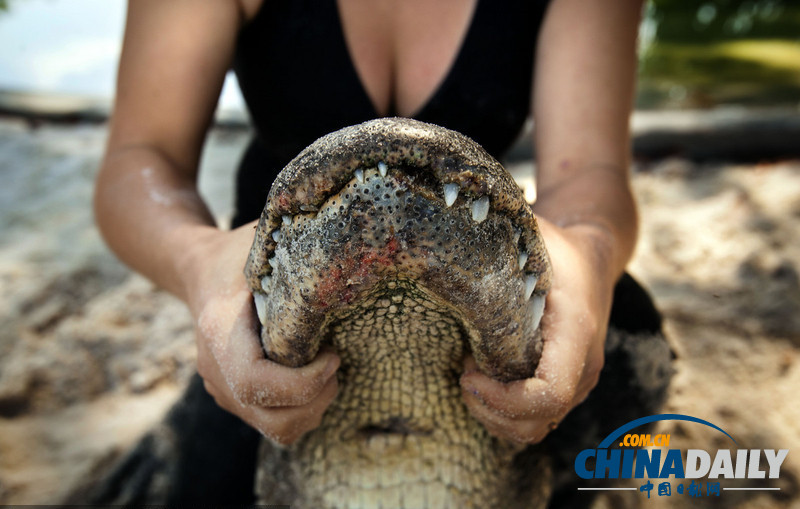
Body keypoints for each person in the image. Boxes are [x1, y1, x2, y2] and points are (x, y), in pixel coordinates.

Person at [94, 0, 667, 502]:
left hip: (480, 287)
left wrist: (589, 256)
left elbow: (589, 170)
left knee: (626, 348)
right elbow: (141, 158)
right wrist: (200, 264)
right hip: (260, 306)